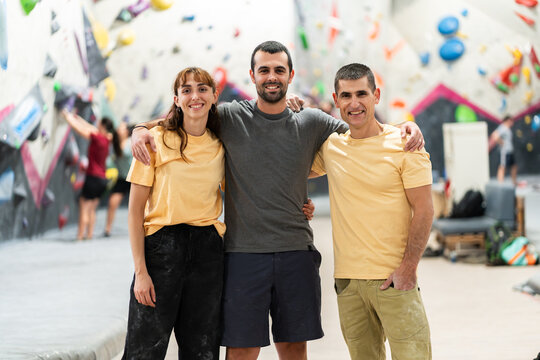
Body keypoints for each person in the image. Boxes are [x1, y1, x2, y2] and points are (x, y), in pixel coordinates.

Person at [131, 41, 425, 360]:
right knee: (241, 350)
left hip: (296, 252)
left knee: (294, 348)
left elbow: (364, 129)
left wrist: (404, 128)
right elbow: (187, 113)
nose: (272, 76)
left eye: (279, 70)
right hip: (243, 254)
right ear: (253, 76)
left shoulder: (313, 122)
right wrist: (138, 129)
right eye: (264, 70)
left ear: (290, 75)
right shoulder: (229, 116)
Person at [310, 63, 434, 360]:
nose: (354, 103)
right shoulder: (331, 147)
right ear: (336, 100)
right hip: (348, 283)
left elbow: (425, 210)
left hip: (394, 279)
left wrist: (408, 267)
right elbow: (287, 172)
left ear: (376, 95)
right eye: (346, 95)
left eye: (362, 94)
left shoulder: (405, 143)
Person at [121, 67, 225, 359]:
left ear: (214, 96)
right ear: (177, 99)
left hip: (207, 253)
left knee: (202, 350)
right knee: (144, 350)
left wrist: (299, 203)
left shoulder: (221, 145)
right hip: (161, 251)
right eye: (187, 90)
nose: (195, 96)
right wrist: (141, 272)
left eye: (203, 89)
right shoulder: (154, 140)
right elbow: (134, 212)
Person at [61, 109, 114, 240]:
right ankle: (89, 234)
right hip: (102, 179)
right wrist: (77, 117)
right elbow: (89, 127)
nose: (96, 125)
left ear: (102, 126)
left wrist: (68, 117)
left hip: (93, 177)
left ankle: (80, 235)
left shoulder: (96, 138)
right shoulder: (107, 139)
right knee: (92, 208)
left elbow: (80, 130)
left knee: (84, 206)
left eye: (99, 124)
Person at [104, 121, 133, 237]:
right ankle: (107, 229)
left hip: (134, 178)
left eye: (121, 127)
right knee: (112, 202)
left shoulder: (131, 141)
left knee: (139, 206)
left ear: (126, 131)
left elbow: (124, 153)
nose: (118, 128)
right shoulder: (114, 141)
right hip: (121, 178)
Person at [489, 115, 517, 185]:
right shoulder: (503, 127)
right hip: (504, 151)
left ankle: (514, 182)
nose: (512, 123)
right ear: (508, 120)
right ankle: (500, 183)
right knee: (502, 166)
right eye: (511, 121)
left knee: (514, 166)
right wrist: (501, 142)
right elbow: (494, 135)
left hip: (510, 151)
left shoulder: (507, 128)